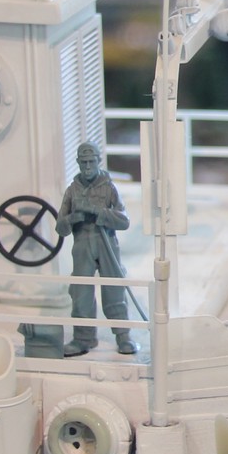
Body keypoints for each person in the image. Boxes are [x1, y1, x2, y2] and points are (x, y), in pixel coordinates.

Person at [56, 141, 135, 357]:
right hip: (82, 245)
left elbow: (124, 221)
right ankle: (83, 338)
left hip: (106, 244)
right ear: (78, 162)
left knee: (114, 289)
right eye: (84, 162)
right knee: (81, 292)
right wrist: (73, 218)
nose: (88, 166)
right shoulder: (72, 191)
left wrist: (98, 211)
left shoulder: (109, 188)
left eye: (91, 161)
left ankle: (123, 335)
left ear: (99, 161)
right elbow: (60, 227)